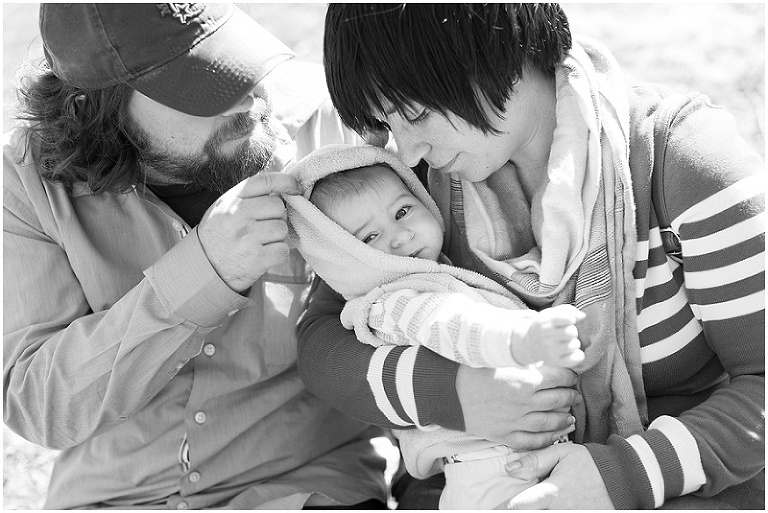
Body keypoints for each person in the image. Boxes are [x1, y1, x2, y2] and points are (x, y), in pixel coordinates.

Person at [298, 3, 765, 509]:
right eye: (389, 121)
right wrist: (454, 394)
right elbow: (323, 343)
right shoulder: (412, 201)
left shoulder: (678, 157)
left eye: (415, 113)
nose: (407, 150)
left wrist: (624, 475)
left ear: (495, 49)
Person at [3, 3, 388, 509]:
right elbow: (41, 406)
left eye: (234, 63)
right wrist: (204, 274)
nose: (247, 100)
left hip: (303, 485)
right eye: (202, 84)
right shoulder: (25, 181)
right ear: (90, 104)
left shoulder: (340, 126)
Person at [287, 143, 646, 509]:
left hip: (526, 456)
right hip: (489, 471)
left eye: (403, 211)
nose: (400, 236)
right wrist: (522, 338)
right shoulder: (389, 302)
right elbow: (450, 325)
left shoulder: (438, 273)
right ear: (344, 259)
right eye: (369, 238)